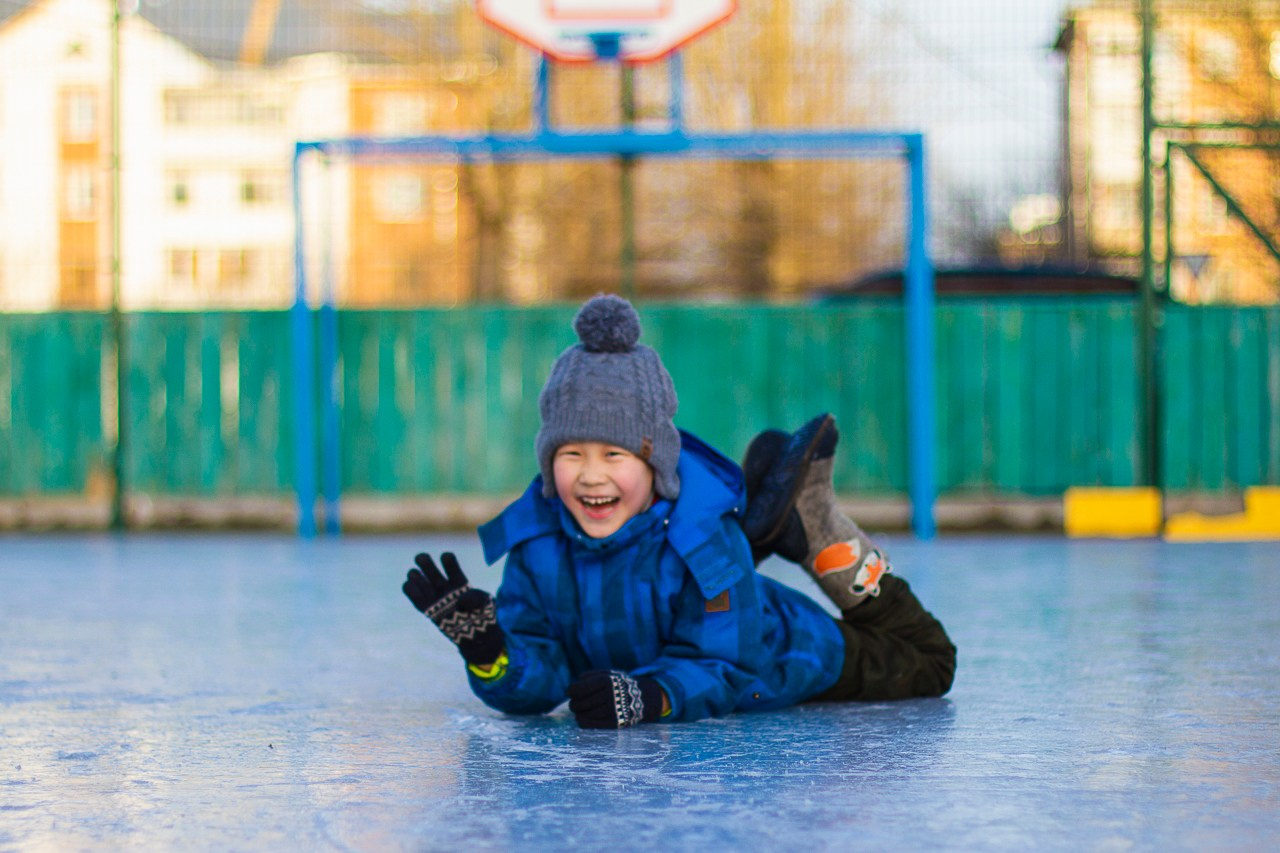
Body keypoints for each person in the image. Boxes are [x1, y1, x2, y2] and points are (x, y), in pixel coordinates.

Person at [402, 294, 955, 728]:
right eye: (571, 455)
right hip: (694, 609)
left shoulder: (702, 542)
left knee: (930, 661)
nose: (590, 475)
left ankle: (814, 525)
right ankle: (757, 539)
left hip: (786, 653)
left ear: (656, 465)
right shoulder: (538, 542)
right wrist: (492, 653)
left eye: (613, 455)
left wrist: (651, 696)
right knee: (696, 575)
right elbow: (544, 678)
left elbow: (726, 666)